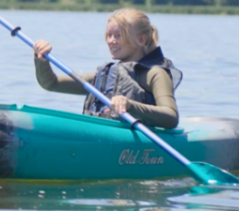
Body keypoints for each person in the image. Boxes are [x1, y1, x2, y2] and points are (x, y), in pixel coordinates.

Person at [32, 8, 181, 129]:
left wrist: (129, 105)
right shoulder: (104, 77)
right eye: (109, 35)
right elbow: (51, 83)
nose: (111, 41)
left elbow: (171, 117)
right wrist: (41, 60)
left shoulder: (156, 74)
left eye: (118, 35)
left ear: (141, 39)